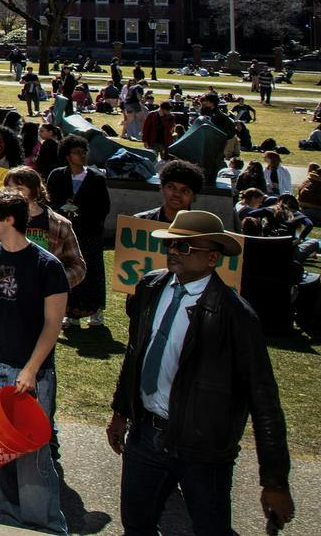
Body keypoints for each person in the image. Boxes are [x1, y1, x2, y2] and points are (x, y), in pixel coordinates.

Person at [107, 209, 294, 535]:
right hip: (145, 438)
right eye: (172, 246)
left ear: (212, 258)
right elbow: (136, 354)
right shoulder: (150, 288)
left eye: (185, 248)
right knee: (136, 524)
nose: (174, 253)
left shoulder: (236, 317)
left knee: (210, 529)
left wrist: (275, 482)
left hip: (202, 451)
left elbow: (265, 402)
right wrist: (121, 411)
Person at [0, 189, 71, 534]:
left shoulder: (48, 266)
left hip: (32, 377)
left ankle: (45, 526)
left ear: (8, 220)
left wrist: (31, 369)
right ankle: (6, 518)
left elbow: (53, 324)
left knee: (34, 458)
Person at [0, 166, 87, 294]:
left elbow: (78, 267)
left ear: (36, 191)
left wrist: (51, 282)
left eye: (19, 189)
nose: (13, 193)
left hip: (41, 302)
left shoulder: (60, 225)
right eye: (9, 189)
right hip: (2, 295)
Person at [46, 137, 112, 326]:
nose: (81, 156)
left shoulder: (96, 178)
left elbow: (103, 207)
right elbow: (50, 200)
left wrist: (81, 211)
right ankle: (71, 311)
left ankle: (95, 310)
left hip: (89, 233)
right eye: (77, 153)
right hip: (64, 232)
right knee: (68, 270)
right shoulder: (57, 176)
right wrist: (62, 209)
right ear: (68, 156)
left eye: (84, 152)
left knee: (93, 270)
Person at [134, 159, 203, 226]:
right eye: (171, 187)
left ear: (194, 196)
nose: (177, 194)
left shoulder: (202, 229)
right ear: (162, 187)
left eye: (184, 190)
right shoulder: (139, 222)